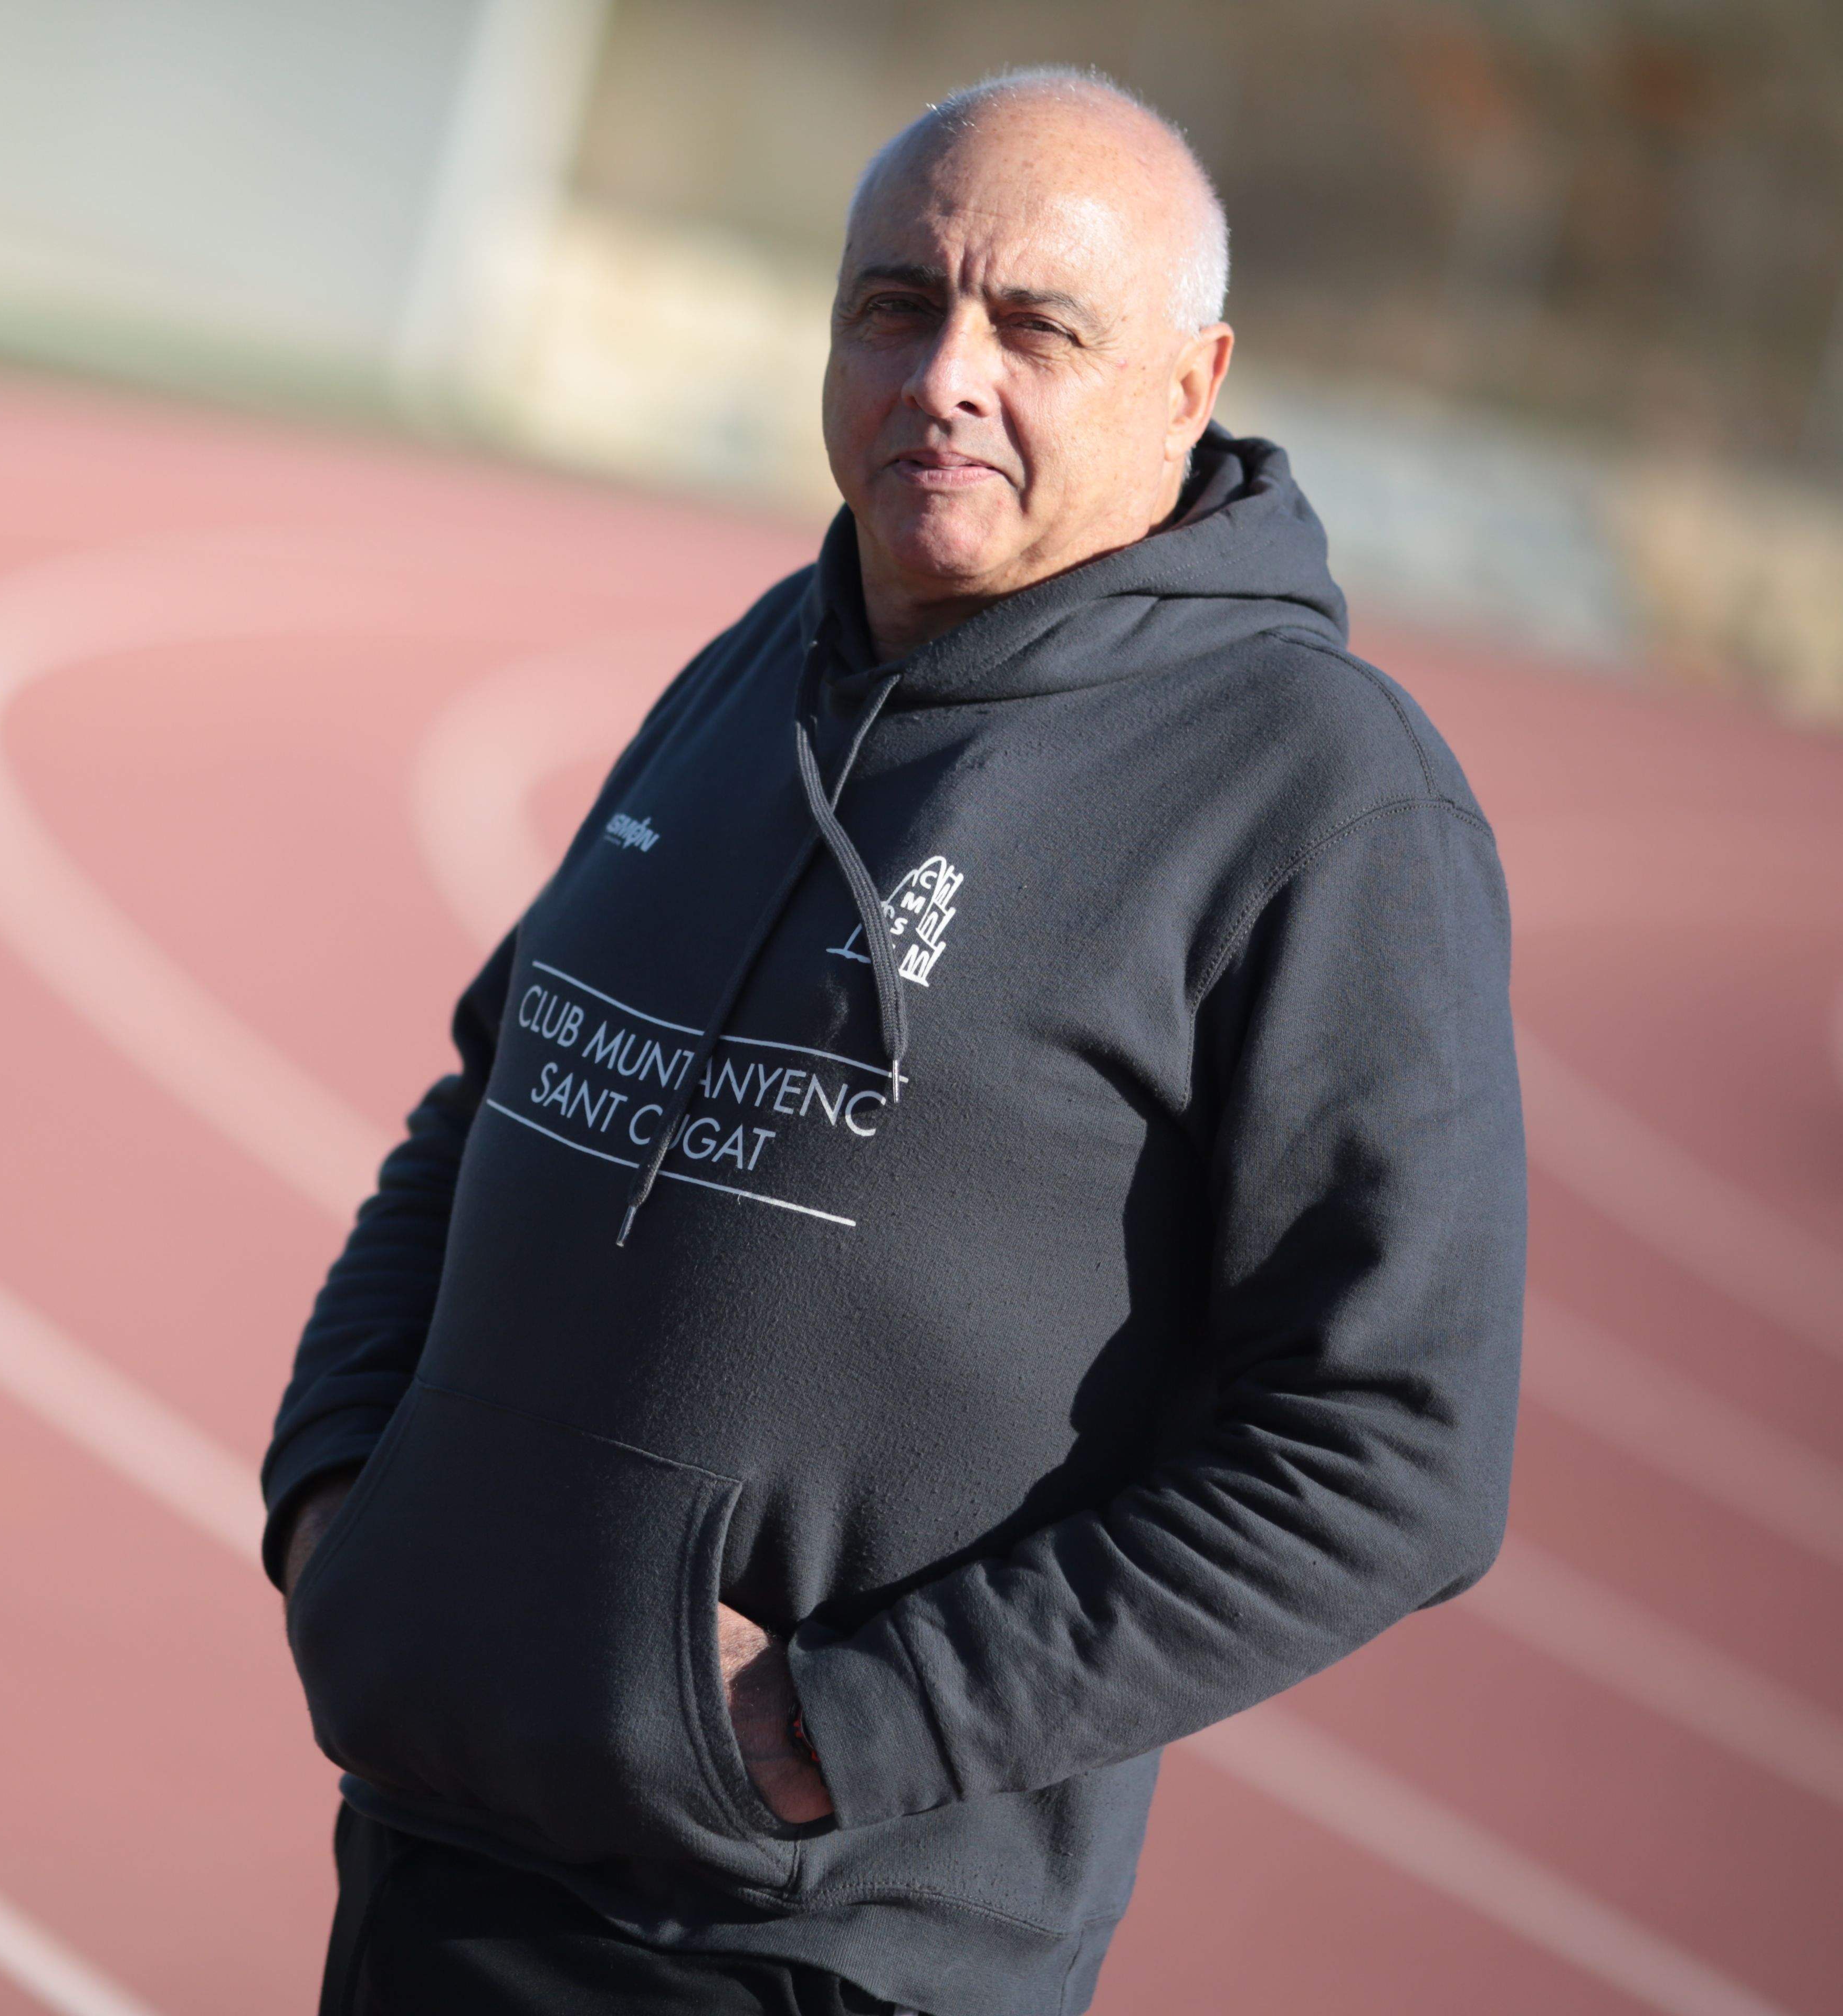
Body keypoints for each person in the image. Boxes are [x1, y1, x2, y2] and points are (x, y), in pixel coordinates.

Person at [262, 66, 1524, 2016]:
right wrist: (345, 1490)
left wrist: (855, 1727)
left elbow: (1394, 1452)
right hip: (439, 1849)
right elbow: (495, 1091)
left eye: (1035, 327)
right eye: (892, 306)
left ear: (1190, 386)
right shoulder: (765, 650)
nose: (943, 373)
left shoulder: (1318, 792)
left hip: (809, 1948)